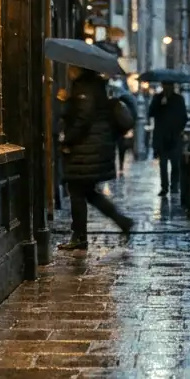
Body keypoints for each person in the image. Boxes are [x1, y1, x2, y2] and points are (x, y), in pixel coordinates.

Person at [58, 65, 133, 252]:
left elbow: (83, 118)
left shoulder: (85, 88)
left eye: (71, 67)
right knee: (88, 193)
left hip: (86, 150)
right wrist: (67, 100)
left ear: (78, 69)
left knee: (77, 192)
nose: (68, 70)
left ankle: (79, 237)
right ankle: (122, 221)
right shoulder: (95, 87)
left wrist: (68, 139)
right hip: (94, 148)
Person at [149, 82, 188, 196]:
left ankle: (174, 185)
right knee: (163, 164)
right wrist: (159, 104)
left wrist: (178, 129)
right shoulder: (157, 98)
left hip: (174, 136)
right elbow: (151, 113)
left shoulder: (179, 99)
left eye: (169, 86)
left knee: (175, 163)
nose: (167, 88)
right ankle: (164, 187)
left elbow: (184, 117)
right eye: (165, 86)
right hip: (161, 137)